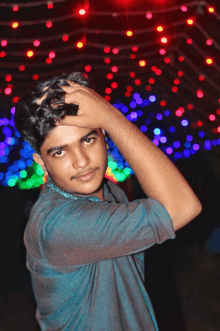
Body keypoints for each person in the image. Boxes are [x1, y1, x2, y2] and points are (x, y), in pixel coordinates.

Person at [14, 71, 202, 331]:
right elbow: (183, 207)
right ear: (41, 162)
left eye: (88, 140)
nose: (81, 162)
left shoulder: (110, 192)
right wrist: (112, 116)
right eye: (59, 152)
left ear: (103, 136)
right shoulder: (60, 226)